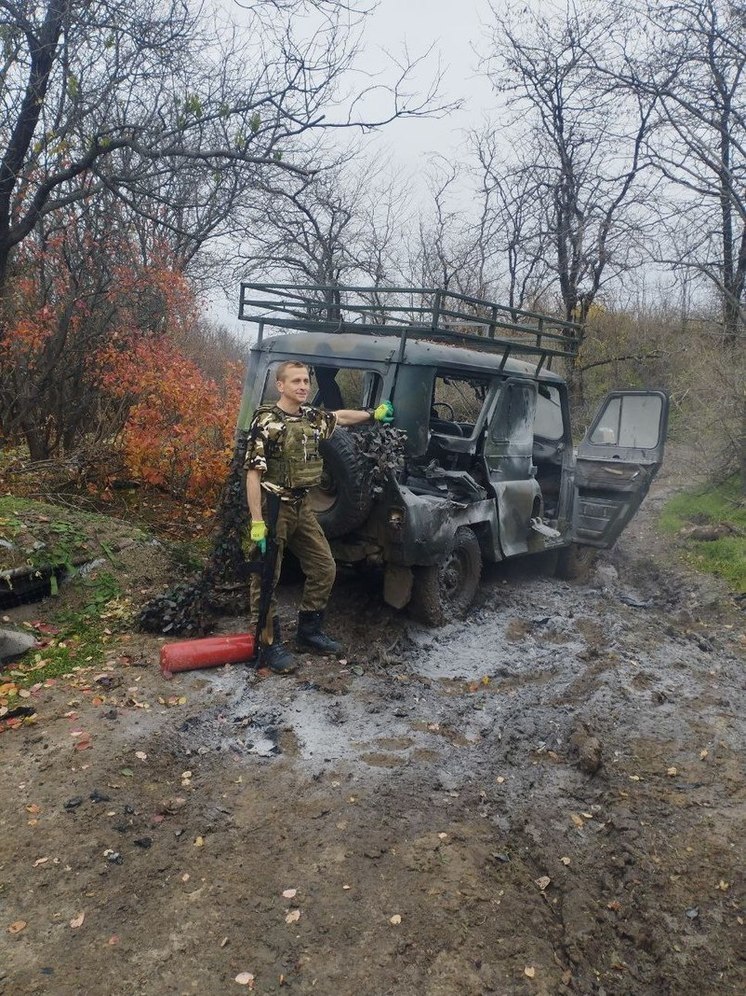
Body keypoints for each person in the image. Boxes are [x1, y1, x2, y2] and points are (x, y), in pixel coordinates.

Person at [245, 360, 394, 674]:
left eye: (306, 381)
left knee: (324, 567)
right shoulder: (268, 422)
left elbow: (340, 417)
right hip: (274, 508)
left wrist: (373, 414)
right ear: (281, 386)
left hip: (302, 506)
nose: (303, 386)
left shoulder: (311, 417)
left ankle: (309, 632)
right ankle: (268, 644)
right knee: (267, 579)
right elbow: (253, 474)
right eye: (296, 381)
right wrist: (257, 520)